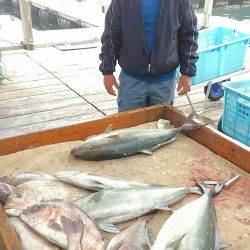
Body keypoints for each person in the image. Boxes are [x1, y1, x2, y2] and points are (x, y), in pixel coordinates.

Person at [99, 0, 199, 112]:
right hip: (131, 80)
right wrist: (107, 71)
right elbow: (111, 35)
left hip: (165, 82)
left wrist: (187, 73)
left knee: (162, 126)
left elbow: (189, 36)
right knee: (128, 126)